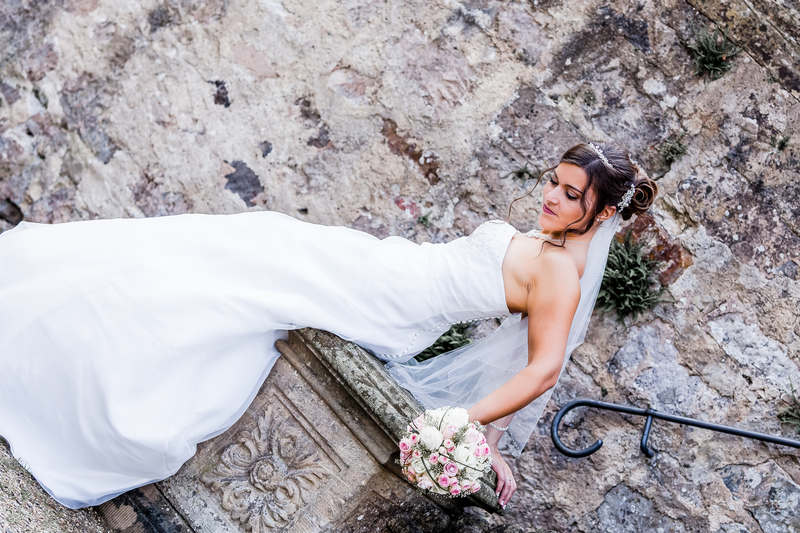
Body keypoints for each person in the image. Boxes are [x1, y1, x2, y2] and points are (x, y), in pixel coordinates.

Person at [0, 141, 656, 510]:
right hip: (385, 268)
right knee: (246, 245)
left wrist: (469, 424)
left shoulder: (560, 276)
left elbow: (541, 367)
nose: (551, 197)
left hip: (391, 304)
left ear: (602, 214)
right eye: (553, 181)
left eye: (571, 194)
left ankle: (69, 369)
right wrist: (490, 432)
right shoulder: (545, 244)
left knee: (247, 256)